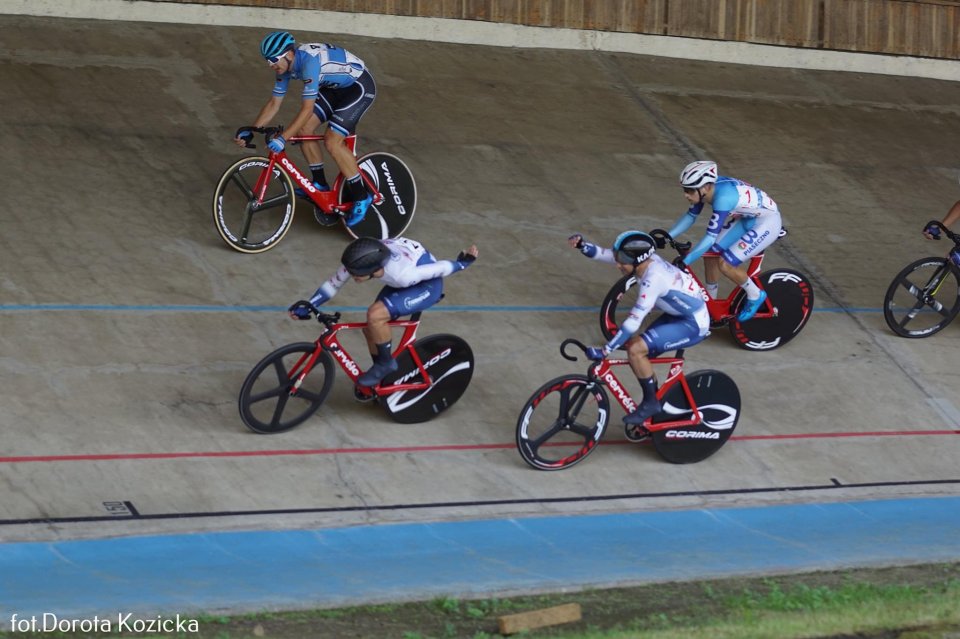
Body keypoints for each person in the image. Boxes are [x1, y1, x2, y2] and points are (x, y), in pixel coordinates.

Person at [568, 230, 711, 440]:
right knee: (638, 352)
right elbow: (607, 255)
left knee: (635, 349)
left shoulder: (653, 279)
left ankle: (651, 403)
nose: (618, 265)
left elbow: (633, 322)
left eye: (623, 263)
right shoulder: (644, 259)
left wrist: (605, 350)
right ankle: (655, 404)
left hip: (692, 323)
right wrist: (582, 246)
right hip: (678, 315)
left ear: (637, 260)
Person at [290, 237, 479, 387]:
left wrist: (463, 263)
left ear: (373, 269)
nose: (352, 275)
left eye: (356, 273)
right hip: (406, 269)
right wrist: (309, 304)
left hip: (426, 284)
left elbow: (440, 268)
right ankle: (380, 377)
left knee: (375, 315)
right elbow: (333, 284)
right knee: (370, 328)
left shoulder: (402, 275)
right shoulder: (363, 256)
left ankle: (386, 364)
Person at [235, 31, 377, 227]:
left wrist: (283, 138)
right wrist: (252, 129)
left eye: (274, 60)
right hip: (334, 88)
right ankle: (319, 184)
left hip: (358, 87)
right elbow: (274, 103)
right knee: (304, 130)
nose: (271, 65)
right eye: (267, 61)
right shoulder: (283, 68)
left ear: (289, 54)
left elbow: (307, 108)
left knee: (332, 141)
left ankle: (362, 197)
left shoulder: (309, 63)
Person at [667, 160, 783, 322]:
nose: (686, 194)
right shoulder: (706, 190)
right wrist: (667, 236)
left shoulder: (722, 198)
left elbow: (709, 237)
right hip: (747, 218)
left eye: (689, 190)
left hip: (767, 222)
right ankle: (709, 305)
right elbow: (691, 216)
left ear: (705, 187)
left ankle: (755, 295)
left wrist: (686, 262)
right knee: (710, 254)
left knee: (725, 263)